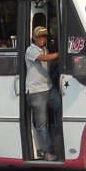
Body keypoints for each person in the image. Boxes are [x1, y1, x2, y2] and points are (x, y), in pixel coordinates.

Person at [25, 26, 61, 161]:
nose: (43, 39)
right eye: (40, 36)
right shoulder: (31, 50)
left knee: (61, 107)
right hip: (36, 92)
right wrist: (61, 53)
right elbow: (44, 58)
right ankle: (48, 152)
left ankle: (57, 133)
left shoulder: (45, 49)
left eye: (45, 36)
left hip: (48, 88)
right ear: (34, 38)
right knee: (41, 125)